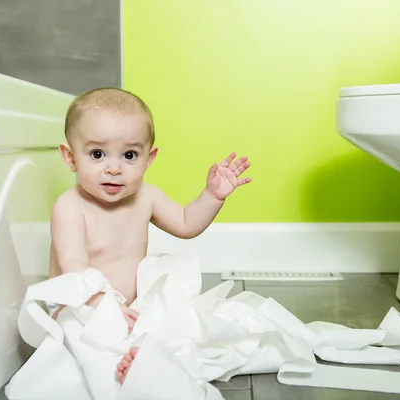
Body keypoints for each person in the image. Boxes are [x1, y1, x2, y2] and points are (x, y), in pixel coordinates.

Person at [47, 87, 251, 383]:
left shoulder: (146, 196)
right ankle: (124, 363)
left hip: (130, 305)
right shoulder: (70, 206)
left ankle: (145, 356)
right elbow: (73, 268)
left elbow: (185, 224)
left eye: (129, 155)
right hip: (80, 304)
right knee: (83, 337)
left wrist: (212, 196)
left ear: (148, 158)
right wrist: (104, 304)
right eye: (97, 154)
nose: (114, 168)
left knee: (180, 319)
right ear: (70, 157)